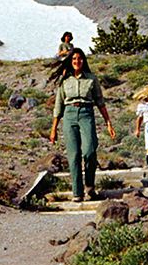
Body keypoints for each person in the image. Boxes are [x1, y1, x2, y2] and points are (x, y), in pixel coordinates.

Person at [48, 47, 117, 203]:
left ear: (83, 61)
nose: (76, 62)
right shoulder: (64, 81)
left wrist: (108, 123)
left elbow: (100, 102)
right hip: (69, 115)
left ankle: (90, 186)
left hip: (86, 113)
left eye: (79, 59)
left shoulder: (91, 79)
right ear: (70, 62)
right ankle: (77, 192)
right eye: (73, 59)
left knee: (90, 150)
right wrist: (54, 129)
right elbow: (58, 105)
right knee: (73, 155)